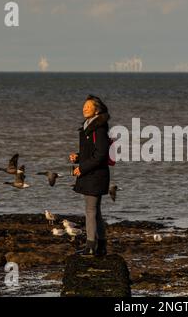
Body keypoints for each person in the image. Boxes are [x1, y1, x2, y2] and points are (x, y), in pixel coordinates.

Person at [69, 95, 110, 255]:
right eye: (84, 106)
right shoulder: (88, 127)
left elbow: (101, 154)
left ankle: (91, 246)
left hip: (95, 175)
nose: (84, 108)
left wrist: (82, 168)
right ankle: (101, 246)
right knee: (95, 211)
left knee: (91, 211)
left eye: (88, 106)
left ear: (97, 110)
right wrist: (78, 157)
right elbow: (92, 152)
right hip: (91, 174)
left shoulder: (98, 128)